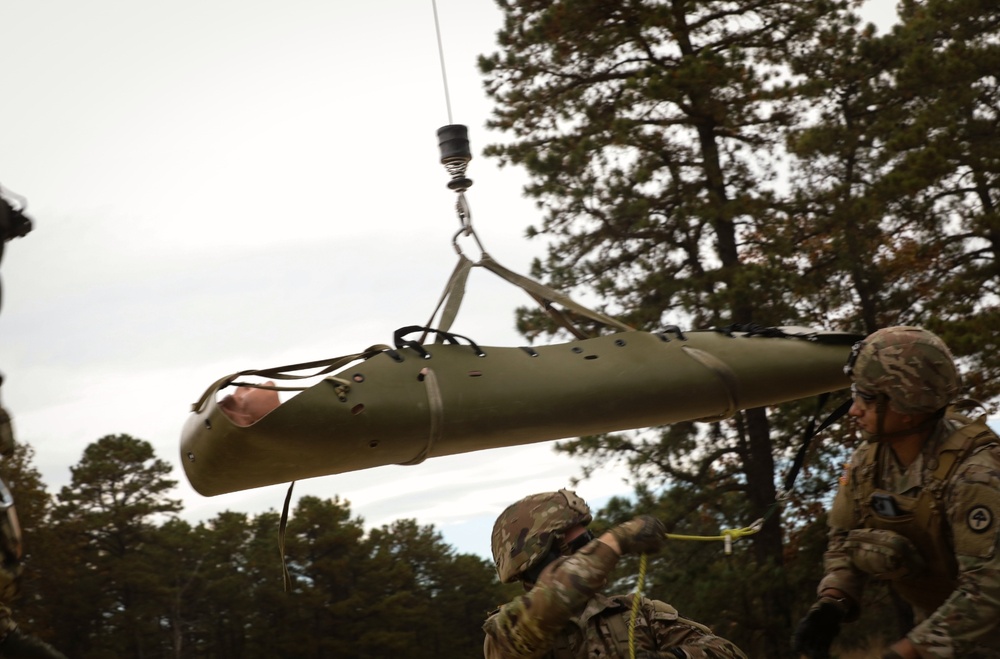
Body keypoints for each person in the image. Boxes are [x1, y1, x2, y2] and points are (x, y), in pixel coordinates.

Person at [793, 326, 1000, 658]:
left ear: (907, 406)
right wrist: (833, 601)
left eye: (868, 398)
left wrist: (910, 651)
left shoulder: (975, 475)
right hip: (941, 630)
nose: (853, 409)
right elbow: (844, 538)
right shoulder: (869, 462)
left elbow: (990, 589)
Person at [482, 488, 748, 658]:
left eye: (594, 539)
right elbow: (554, 599)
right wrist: (617, 540)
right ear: (543, 554)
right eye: (584, 542)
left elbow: (729, 652)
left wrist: (677, 657)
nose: (595, 546)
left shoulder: (638, 613)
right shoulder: (506, 633)